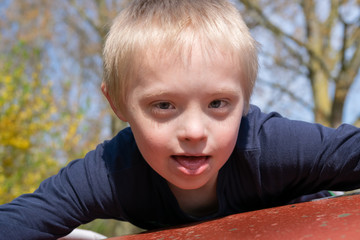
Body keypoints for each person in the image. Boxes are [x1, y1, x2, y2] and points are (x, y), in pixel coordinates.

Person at [1, 0, 360, 239]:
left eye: (218, 103)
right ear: (118, 103)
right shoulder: (111, 173)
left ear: (246, 101)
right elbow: (21, 220)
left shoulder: (268, 145)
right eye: (163, 106)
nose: (193, 131)